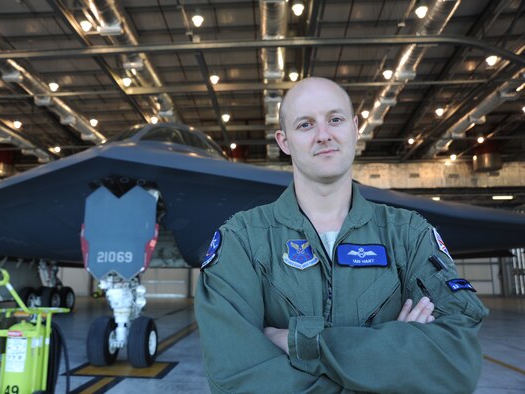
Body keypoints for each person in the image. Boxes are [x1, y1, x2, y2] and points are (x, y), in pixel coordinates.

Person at [195, 77, 488, 393]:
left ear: (355, 127)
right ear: (284, 141)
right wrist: (394, 357)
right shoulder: (242, 239)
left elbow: (457, 360)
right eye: (305, 125)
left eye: (335, 119)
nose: (324, 135)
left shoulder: (409, 234)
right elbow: (235, 379)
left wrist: (303, 342)